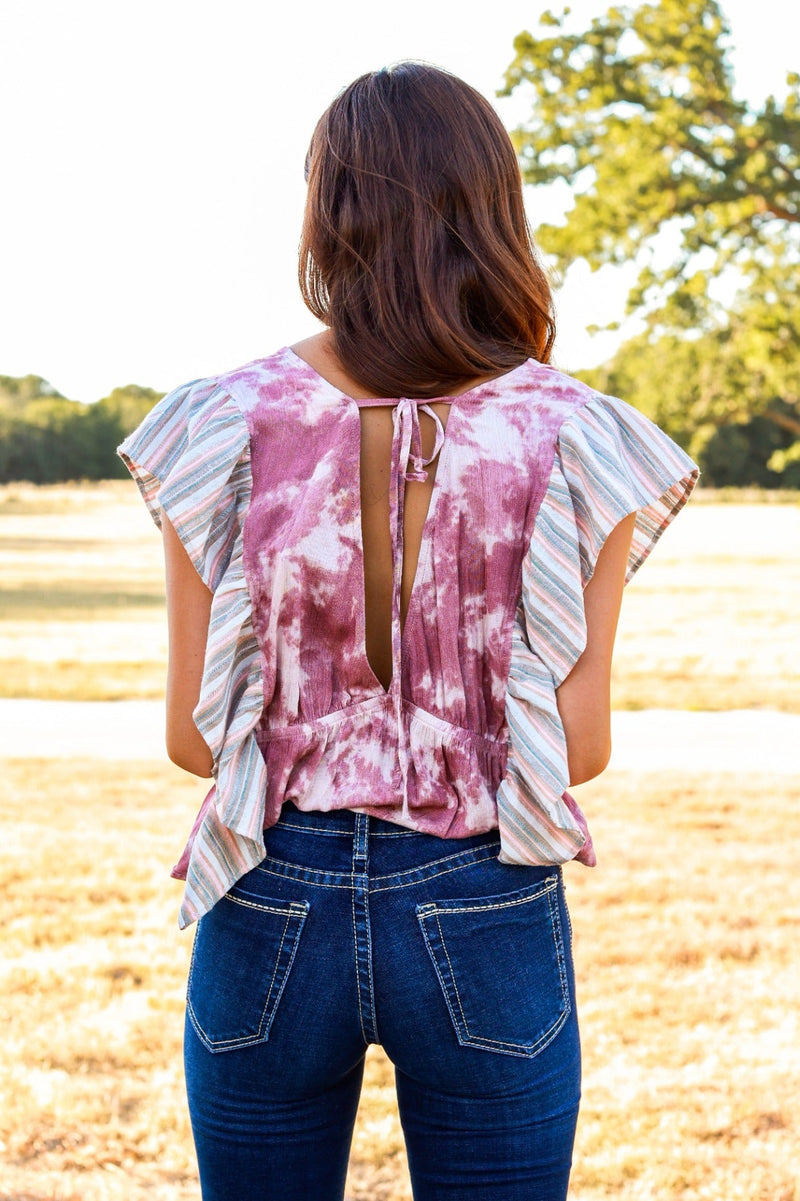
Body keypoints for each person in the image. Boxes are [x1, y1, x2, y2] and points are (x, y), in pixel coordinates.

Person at [118, 61, 698, 1201]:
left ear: (326, 213)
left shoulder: (219, 424)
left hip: (268, 891)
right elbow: (576, 750)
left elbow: (196, 739)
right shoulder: (577, 438)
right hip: (482, 896)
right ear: (493, 209)